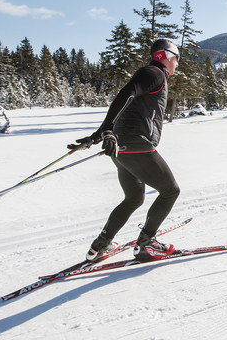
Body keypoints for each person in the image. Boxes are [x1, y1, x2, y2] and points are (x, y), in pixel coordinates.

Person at [69, 38, 181, 262]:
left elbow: (126, 102)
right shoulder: (154, 73)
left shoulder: (152, 75)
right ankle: (147, 244)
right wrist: (108, 129)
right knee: (170, 191)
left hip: (122, 149)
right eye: (177, 59)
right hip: (136, 146)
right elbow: (125, 93)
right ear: (167, 56)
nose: (177, 64)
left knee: (133, 199)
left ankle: (100, 247)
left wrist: (100, 134)